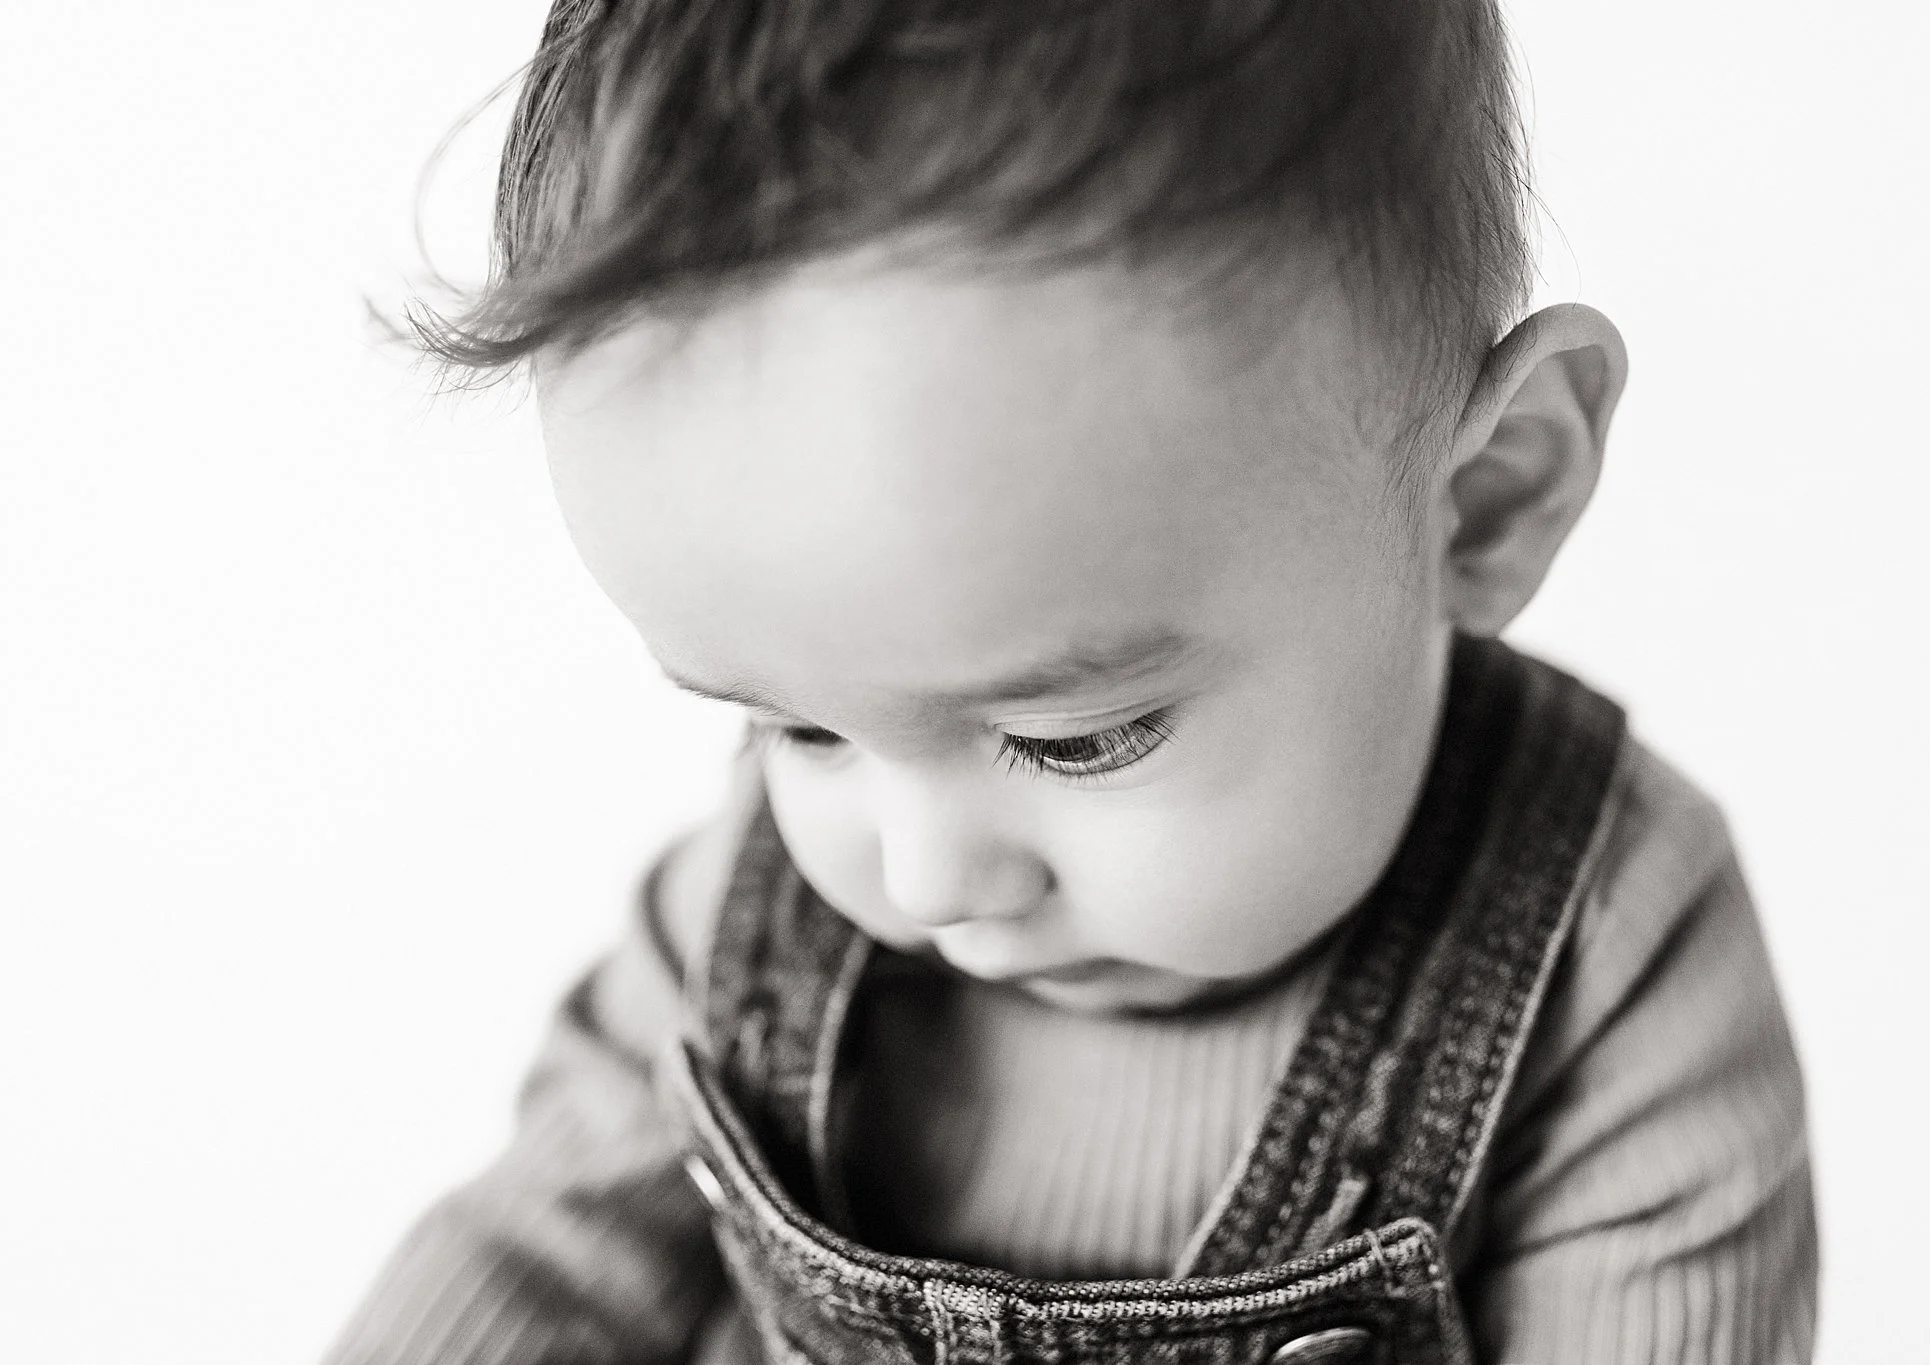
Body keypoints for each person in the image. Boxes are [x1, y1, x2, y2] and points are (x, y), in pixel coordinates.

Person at [329, 1, 1817, 1361]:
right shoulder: (750, 909)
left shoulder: (1610, 946)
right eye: (798, 725)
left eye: (1077, 739)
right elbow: (538, 1258)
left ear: (1483, 500)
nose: (925, 878)